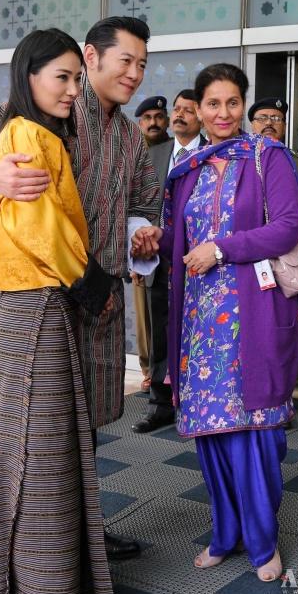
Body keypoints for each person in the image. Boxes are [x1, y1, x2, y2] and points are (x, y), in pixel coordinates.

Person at [0, 16, 160, 560]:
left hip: (104, 291)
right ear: (90, 57)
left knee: (88, 418)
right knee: (45, 424)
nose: (135, 74)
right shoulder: (48, 107)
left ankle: (84, 525)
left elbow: (141, 203)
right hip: (48, 291)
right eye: (126, 62)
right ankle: (45, 539)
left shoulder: (133, 138)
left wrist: (142, 234)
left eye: (142, 64)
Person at [132, 63, 298, 581]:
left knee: (255, 431)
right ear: (199, 108)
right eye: (213, 104)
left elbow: (289, 229)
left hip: (252, 312)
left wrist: (222, 250)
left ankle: (261, 540)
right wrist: (154, 240)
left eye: (233, 103)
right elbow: (182, 238)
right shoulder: (188, 170)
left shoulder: (267, 156)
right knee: (213, 432)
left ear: (243, 106)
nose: (223, 114)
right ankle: (225, 532)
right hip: (201, 320)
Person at [0, 28, 117, 594]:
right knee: (41, 450)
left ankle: (52, 586)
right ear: (29, 74)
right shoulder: (23, 132)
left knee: (47, 444)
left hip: (38, 302)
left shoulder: (41, 133)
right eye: (60, 76)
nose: (71, 88)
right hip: (37, 301)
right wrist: (89, 280)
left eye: (74, 78)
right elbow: (43, 231)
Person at [131, 89, 207, 433]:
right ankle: (160, 403)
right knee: (160, 332)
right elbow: (141, 204)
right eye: (176, 110)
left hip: (201, 260)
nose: (179, 115)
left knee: (201, 332)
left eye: (188, 110)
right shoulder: (155, 153)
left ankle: (200, 403)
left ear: (201, 116)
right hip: (159, 260)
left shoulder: (212, 154)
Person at [132, 95, 171, 390]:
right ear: (140, 123)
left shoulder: (176, 151)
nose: (154, 122)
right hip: (142, 244)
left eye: (159, 116)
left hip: (173, 244)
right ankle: (149, 370)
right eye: (147, 118)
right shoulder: (133, 154)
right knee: (145, 314)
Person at [248, 96, 298, 216]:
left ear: (284, 127)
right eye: (262, 118)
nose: (269, 123)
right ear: (252, 125)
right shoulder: (240, 159)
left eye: (276, 118)